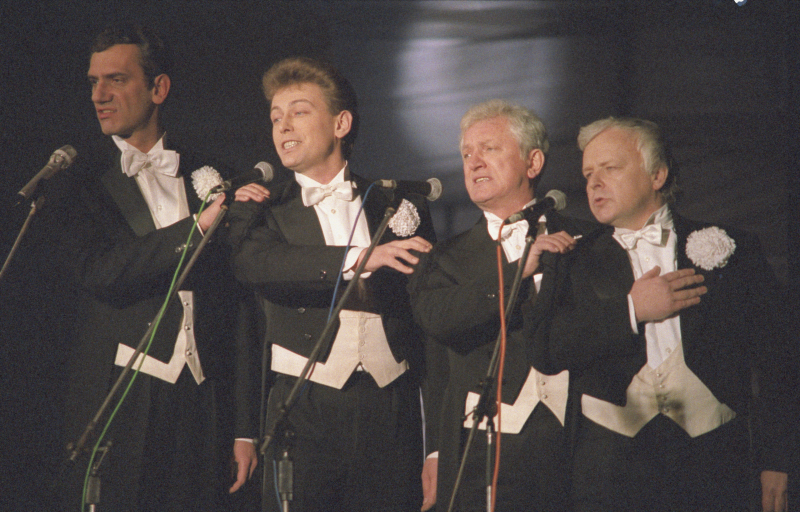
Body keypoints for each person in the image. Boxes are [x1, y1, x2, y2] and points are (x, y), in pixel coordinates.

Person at [533, 117, 795, 512]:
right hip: (607, 475)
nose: (593, 183)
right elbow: (544, 350)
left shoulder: (733, 248)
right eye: (588, 173)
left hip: (717, 466)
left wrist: (777, 461)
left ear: (657, 174)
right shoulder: (570, 259)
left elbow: (780, 360)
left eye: (610, 168)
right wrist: (631, 310)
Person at [226, 56, 436, 511]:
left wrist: (435, 445)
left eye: (299, 111)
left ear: (341, 123)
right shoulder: (263, 206)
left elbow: (430, 324)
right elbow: (258, 265)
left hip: (391, 409)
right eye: (276, 117)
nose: (283, 126)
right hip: (303, 409)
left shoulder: (394, 204)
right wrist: (359, 258)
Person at [48, 22, 242, 511]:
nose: (100, 95)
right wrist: (194, 231)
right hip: (119, 395)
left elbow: (237, 302)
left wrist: (245, 428)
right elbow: (101, 271)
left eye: (115, 79)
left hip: (202, 396)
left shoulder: (209, 172)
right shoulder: (78, 180)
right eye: (93, 82)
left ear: (158, 88)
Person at [408, 99, 590, 511]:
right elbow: (440, 326)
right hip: (482, 449)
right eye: (467, 154)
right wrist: (517, 271)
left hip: (578, 438)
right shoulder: (444, 258)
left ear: (533, 162)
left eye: (489, 149)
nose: (474, 162)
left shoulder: (588, 241)